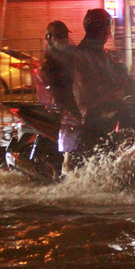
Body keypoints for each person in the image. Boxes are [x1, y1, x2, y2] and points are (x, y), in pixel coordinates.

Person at [71, 9, 131, 157]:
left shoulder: (99, 52)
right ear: (98, 29)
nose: (109, 32)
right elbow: (89, 85)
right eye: (107, 27)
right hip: (93, 108)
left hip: (106, 102)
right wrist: (114, 91)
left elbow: (114, 73)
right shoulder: (82, 54)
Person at [34, 20, 81, 174]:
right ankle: (67, 163)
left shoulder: (72, 53)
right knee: (73, 120)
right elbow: (53, 88)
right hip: (61, 101)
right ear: (49, 38)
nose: (64, 39)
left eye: (65, 35)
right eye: (59, 36)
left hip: (79, 96)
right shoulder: (49, 61)